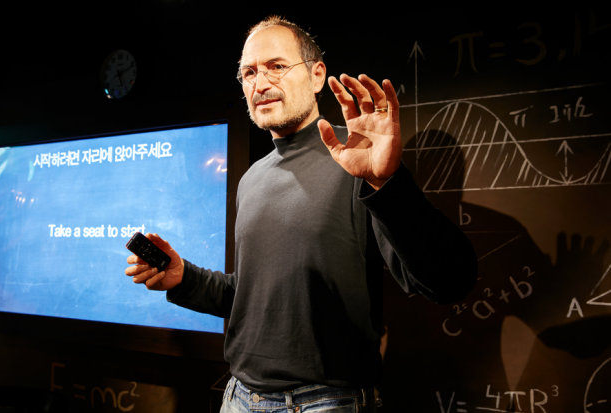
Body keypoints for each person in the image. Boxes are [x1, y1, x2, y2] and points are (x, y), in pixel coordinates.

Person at [125, 16, 477, 413]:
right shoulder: (252, 179)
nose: (260, 83)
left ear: (316, 75)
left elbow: (449, 282)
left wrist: (389, 182)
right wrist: (183, 278)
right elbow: (257, 298)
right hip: (239, 396)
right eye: (249, 73)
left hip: (326, 403)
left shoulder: (358, 160)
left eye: (276, 66)